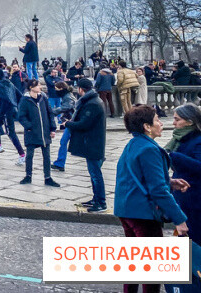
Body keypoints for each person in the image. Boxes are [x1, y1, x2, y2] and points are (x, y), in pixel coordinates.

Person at [114, 104, 189, 293]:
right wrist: (179, 220)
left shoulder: (133, 144)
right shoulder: (149, 149)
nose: (161, 124)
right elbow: (158, 191)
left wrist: (170, 182)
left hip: (127, 210)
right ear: (147, 126)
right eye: (157, 120)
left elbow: (137, 177)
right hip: (143, 214)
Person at [62, 78, 107, 211]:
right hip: (93, 143)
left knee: (96, 175)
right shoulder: (93, 100)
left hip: (93, 144)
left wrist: (67, 124)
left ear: (82, 89)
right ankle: (96, 199)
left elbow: (84, 124)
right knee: (94, 173)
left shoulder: (92, 104)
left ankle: (101, 202)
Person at [165, 103, 201, 243]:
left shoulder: (198, 140)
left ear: (190, 121)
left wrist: (174, 156)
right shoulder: (178, 139)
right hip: (183, 197)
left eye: (177, 119)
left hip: (194, 199)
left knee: (193, 239)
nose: (173, 123)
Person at [17, 79, 59, 187]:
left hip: (44, 131)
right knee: (30, 155)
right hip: (32, 132)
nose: (40, 86)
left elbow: (50, 113)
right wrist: (29, 126)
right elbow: (21, 116)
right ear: (31, 87)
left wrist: (52, 129)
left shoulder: (43, 98)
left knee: (47, 155)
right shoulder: (25, 100)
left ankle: (48, 177)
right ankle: (28, 176)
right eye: (38, 85)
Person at [0, 69, 25, 163]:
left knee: (11, 133)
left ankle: (22, 154)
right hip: (12, 109)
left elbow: (3, 100)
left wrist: (1, 112)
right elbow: (19, 95)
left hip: (6, 111)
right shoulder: (9, 83)